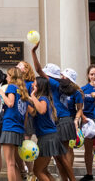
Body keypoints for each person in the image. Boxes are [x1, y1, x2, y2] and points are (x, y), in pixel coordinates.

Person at [29, 44, 77, 181]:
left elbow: (38, 69)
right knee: (61, 156)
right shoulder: (59, 85)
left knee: (61, 156)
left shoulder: (52, 84)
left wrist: (33, 52)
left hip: (60, 121)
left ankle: (69, 179)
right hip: (64, 120)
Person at [30, 76, 68, 181]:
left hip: (47, 137)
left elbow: (41, 110)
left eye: (34, 83)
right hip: (48, 136)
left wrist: (32, 96)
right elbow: (33, 111)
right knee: (43, 170)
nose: (32, 85)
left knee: (37, 171)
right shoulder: (43, 99)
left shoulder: (43, 99)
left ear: (39, 86)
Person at [0, 67, 29, 181]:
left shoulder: (11, 87)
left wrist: (1, 93)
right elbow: (26, 114)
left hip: (9, 126)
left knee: (10, 163)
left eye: (8, 76)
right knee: (13, 163)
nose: (6, 78)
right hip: (19, 128)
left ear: (12, 77)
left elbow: (10, 103)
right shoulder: (23, 90)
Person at [78, 65, 95, 181]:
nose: (94, 76)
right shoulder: (84, 89)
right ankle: (89, 173)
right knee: (88, 149)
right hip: (87, 121)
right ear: (88, 75)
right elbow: (79, 106)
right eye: (91, 74)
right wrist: (82, 116)